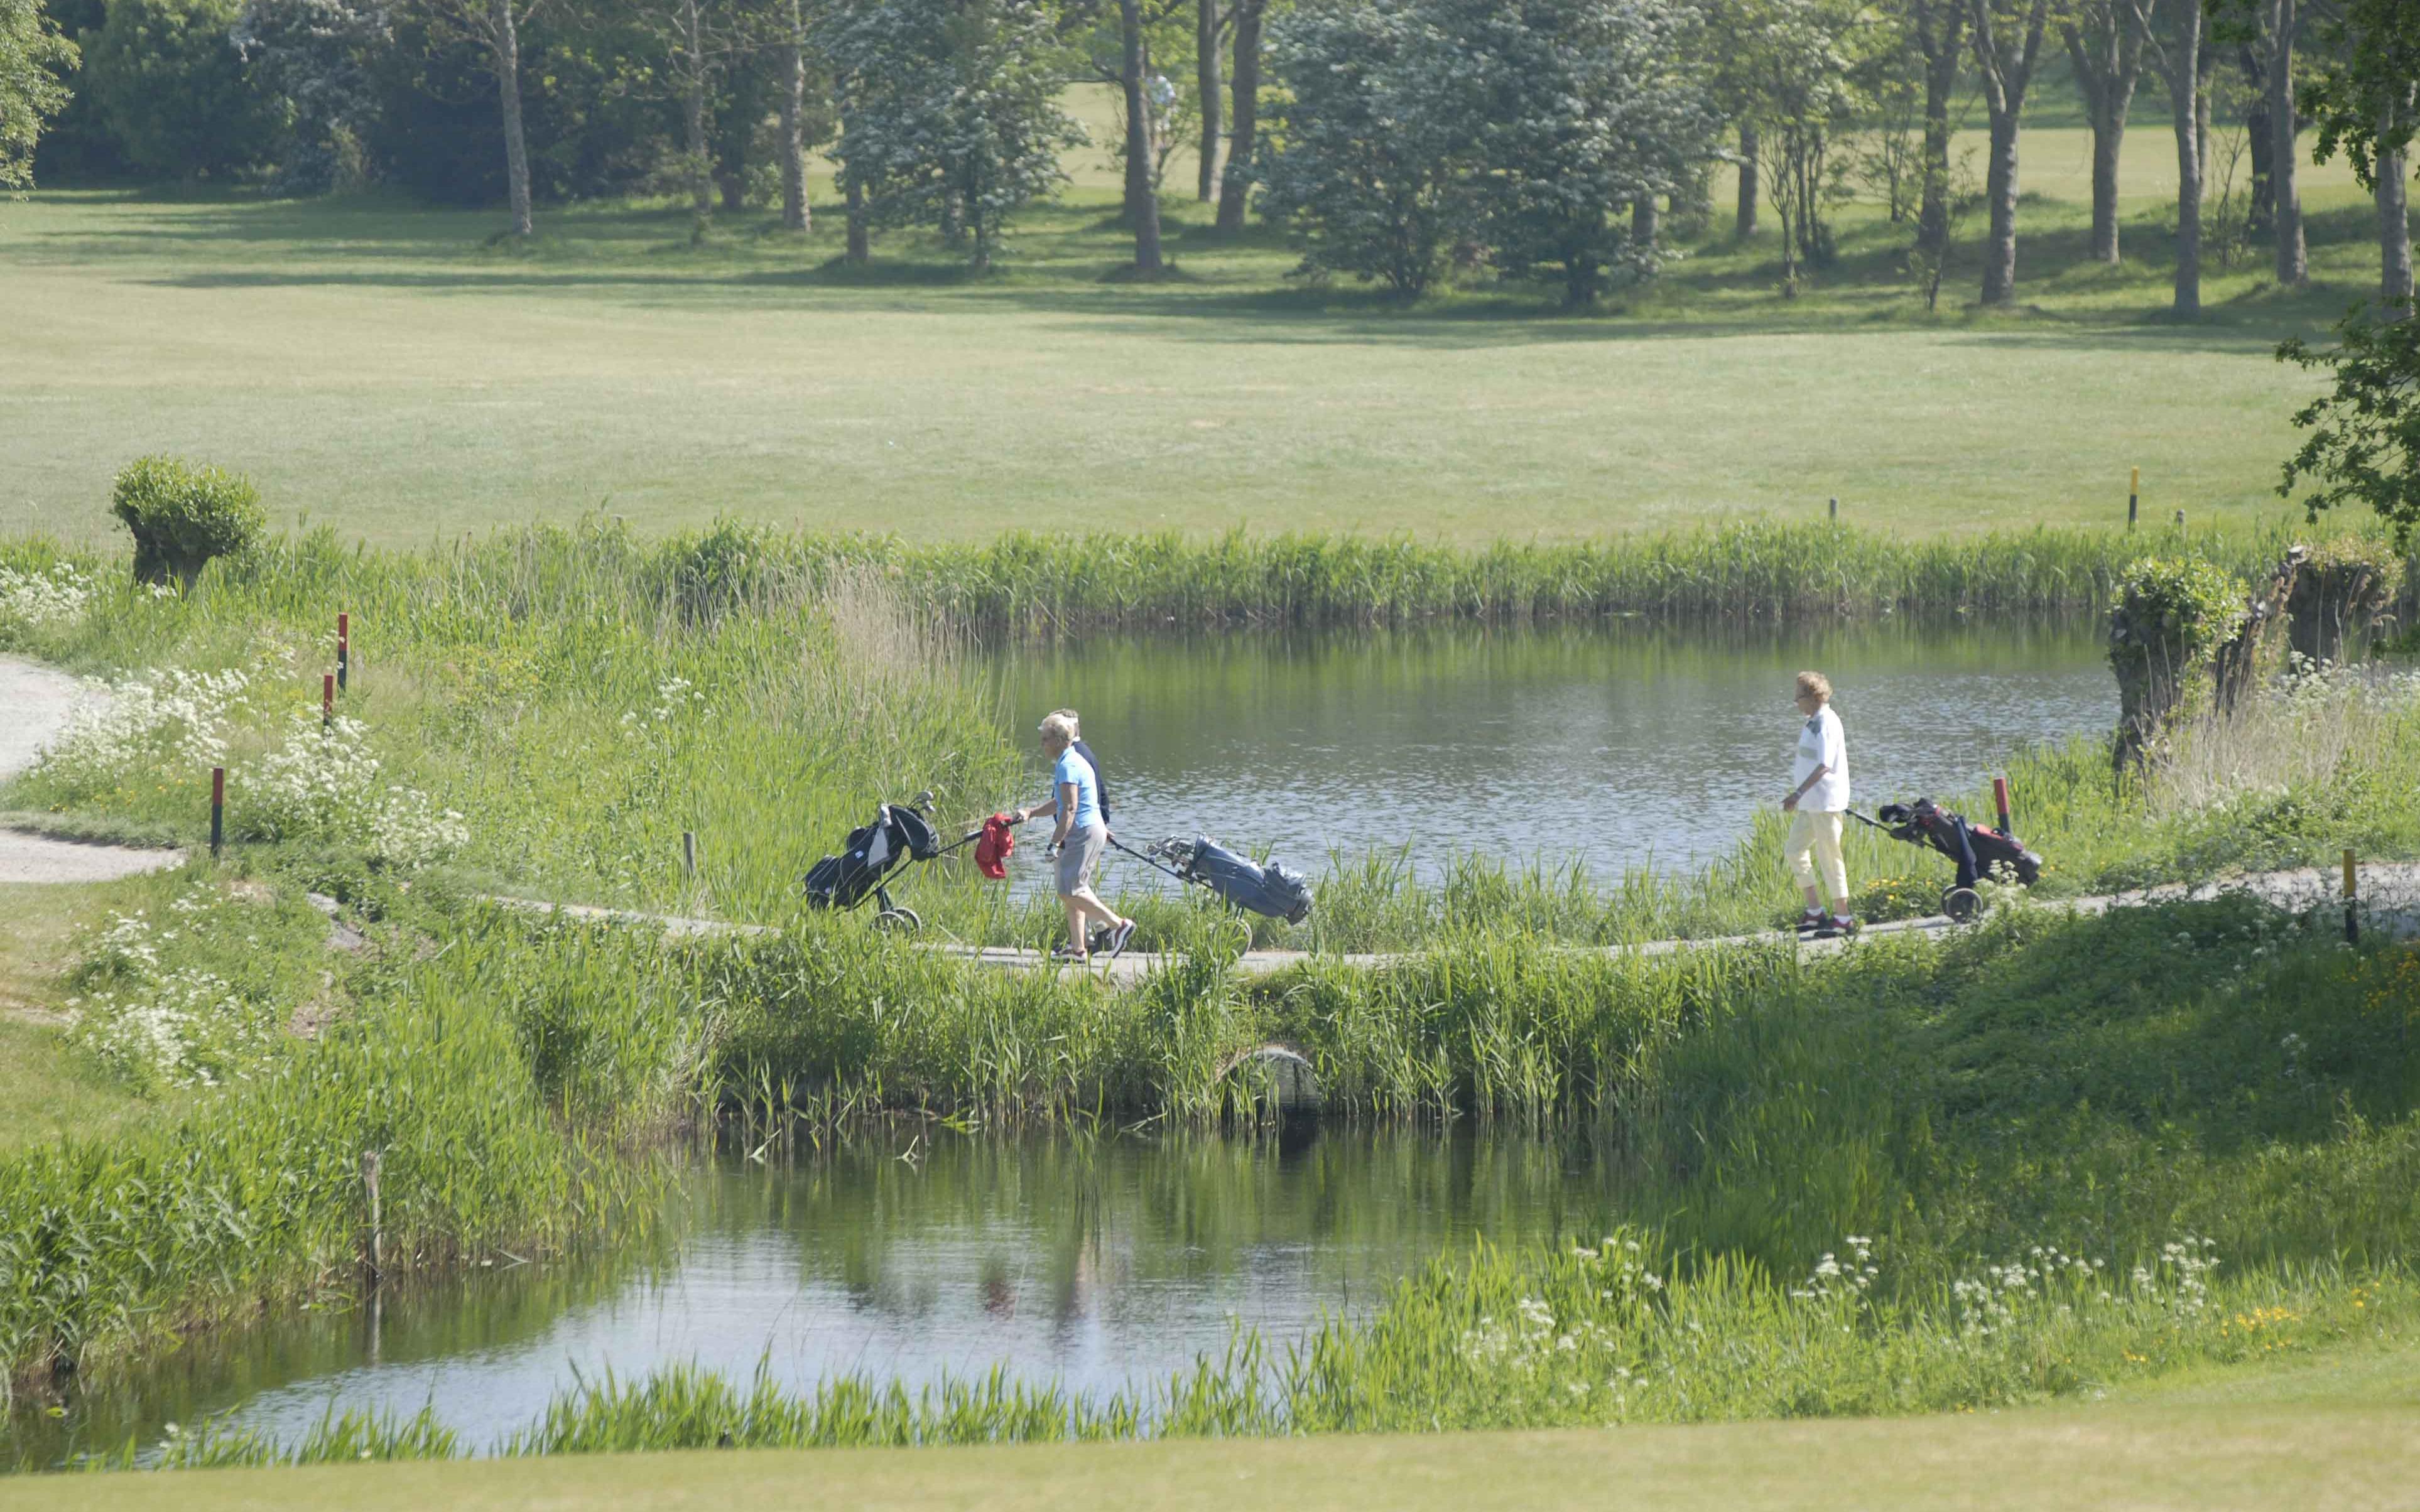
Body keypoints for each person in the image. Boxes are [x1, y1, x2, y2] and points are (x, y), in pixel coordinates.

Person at [1012, 711, 1133, 962]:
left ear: (1058, 740)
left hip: (1082, 833)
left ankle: (1118, 925)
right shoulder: (1069, 761)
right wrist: (1032, 813)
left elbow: (1069, 809)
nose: (1042, 745)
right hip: (1086, 831)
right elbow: (1061, 801)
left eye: (1045, 739)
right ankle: (1078, 949)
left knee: (1072, 890)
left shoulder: (1068, 764)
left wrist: (1054, 843)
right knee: (1069, 889)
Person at [1782, 670, 1855, 936]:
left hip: (1824, 803)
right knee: (1794, 851)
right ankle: (1815, 912)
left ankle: (1844, 917)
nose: (1796, 703)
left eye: (1798, 697)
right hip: (1810, 805)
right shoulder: (1813, 720)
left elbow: (1824, 765)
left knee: (1829, 858)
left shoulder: (1826, 722)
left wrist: (1797, 794)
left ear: (1812, 697)